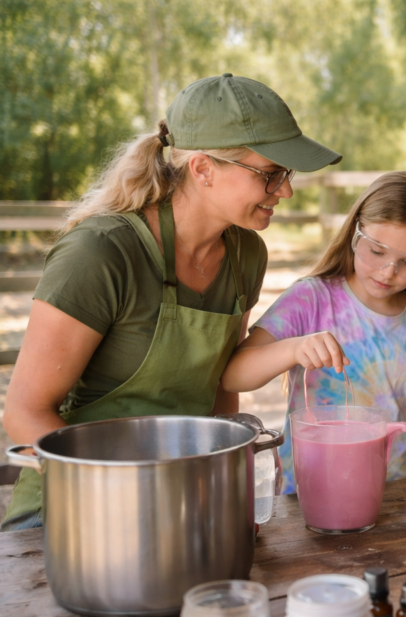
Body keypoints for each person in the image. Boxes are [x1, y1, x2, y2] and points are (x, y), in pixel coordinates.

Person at [1, 73, 342, 531]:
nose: (286, 191)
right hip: (69, 513)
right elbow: (24, 414)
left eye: (287, 174)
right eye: (270, 174)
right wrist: (137, 494)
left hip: (182, 505)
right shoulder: (100, 253)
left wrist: (229, 473)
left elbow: (220, 387)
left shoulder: (245, 254)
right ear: (202, 169)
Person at [221, 172, 406, 487]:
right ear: (355, 232)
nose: (388, 272)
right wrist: (292, 350)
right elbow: (234, 375)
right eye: (377, 251)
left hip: (396, 495)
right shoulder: (310, 299)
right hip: (309, 490)